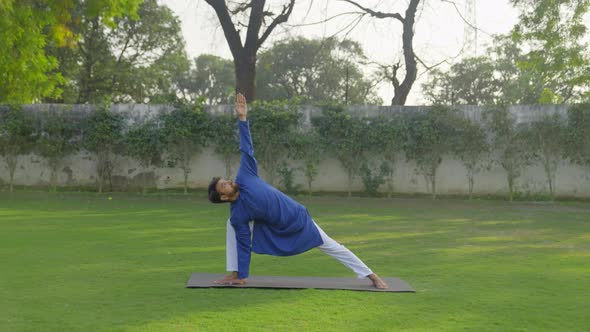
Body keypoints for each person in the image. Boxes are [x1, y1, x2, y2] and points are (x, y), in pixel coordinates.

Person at [207, 93, 388, 289]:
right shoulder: (238, 215)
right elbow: (243, 243)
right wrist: (241, 273)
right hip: (276, 228)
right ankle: (237, 274)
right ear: (224, 197)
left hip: (298, 218)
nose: (229, 181)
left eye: (226, 180)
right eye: (224, 185)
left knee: (332, 246)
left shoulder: (245, 177)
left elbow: (246, 149)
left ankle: (372, 276)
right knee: (230, 224)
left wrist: (242, 118)